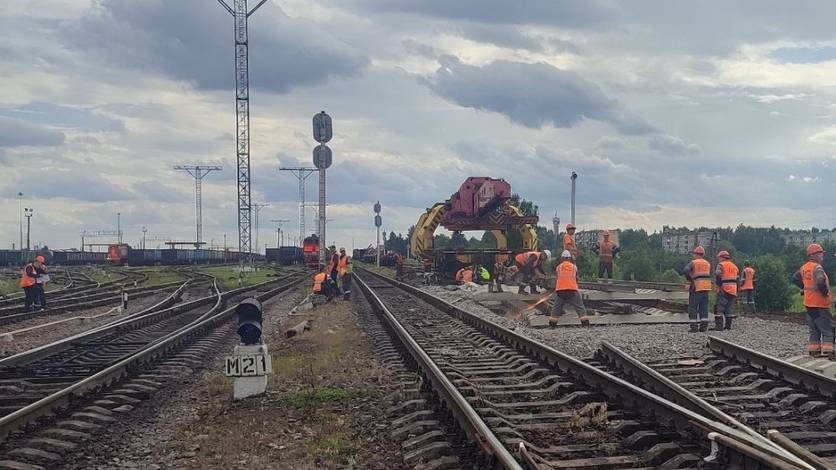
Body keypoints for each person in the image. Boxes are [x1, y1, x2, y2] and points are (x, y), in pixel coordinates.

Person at [792, 244, 833, 358]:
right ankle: (828, 352)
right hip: (820, 304)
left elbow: (795, 278)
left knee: (814, 329)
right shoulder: (817, 267)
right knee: (828, 329)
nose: (822, 256)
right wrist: (824, 292)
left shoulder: (804, 268)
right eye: (820, 253)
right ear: (813, 255)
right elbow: (820, 281)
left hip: (809, 304)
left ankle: (814, 351)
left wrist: (805, 288)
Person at [550, 250, 590, 327]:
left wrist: (555, 288)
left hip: (560, 291)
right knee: (580, 307)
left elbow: (557, 278)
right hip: (572, 290)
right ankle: (585, 324)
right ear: (569, 258)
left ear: (562, 258)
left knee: (556, 309)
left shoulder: (558, 267)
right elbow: (577, 278)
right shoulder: (574, 267)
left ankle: (552, 324)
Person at [682, 246, 712, 332]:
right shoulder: (707, 263)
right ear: (703, 254)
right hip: (706, 288)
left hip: (696, 287)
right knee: (704, 308)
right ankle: (703, 327)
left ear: (695, 254)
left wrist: (690, 280)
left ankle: (694, 327)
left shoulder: (694, 262)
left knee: (693, 307)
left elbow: (685, 270)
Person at [714, 251, 739, 330]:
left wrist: (718, 287)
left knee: (719, 307)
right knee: (729, 308)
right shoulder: (735, 266)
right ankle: (728, 326)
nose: (718, 259)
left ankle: (719, 326)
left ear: (722, 257)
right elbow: (737, 279)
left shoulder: (721, 265)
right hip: (733, 290)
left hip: (724, 289)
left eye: (719, 258)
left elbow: (718, 275)